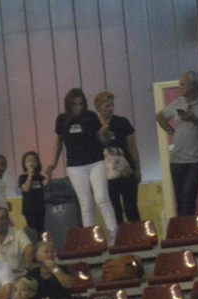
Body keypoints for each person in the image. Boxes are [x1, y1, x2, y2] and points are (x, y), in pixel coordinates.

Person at [51, 87, 117, 237]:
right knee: (85, 203)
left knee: (101, 197)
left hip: (95, 162)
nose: (79, 107)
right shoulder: (62, 119)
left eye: (81, 104)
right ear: (69, 104)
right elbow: (58, 142)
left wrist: (104, 132)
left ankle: (114, 233)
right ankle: (91, 238)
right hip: (75, 166)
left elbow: (102, 140)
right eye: (75, 104)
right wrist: (53, 163)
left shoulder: (91, 116)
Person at [155, 71, 198, 219]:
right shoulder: (179, 102)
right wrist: (171, 131)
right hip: (178, 157)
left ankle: (189, 226)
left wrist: (194, 119)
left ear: (194, 85)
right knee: (180, 197)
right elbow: (160, 116)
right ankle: (183, 227)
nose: (179, 87)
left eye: (183, 84)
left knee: (189, 193)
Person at [94, 91, 140, 225]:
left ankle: (138, 238)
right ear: (98, 107)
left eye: (112, 105)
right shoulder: (94, 125)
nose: (111, 109)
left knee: (131, 208)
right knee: (114, 210)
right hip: (105, 174)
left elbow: (132, 146)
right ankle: (120, 239)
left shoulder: (122, 122)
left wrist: (137, 168)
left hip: (126, 171)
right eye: (107, 106)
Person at [0, 205, 32, 273]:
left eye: (2, 218)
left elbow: (29, 249)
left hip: (17, 275)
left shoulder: (19, 234)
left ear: (8, 220)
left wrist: (26, 270)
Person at [17, 152, 47, 238]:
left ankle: (42, 244)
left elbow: (45, 183)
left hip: (40, 208)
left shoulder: (39, 177)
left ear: (38, 163)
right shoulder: (22, 177)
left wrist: (48, 174)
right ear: (24, 164)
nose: (32, 163)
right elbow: (26, 188)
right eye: (28, 161)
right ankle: (33, 246)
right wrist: (30, 176)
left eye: (34, 160)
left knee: (42, 229)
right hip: (29, 208)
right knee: (32, 230)